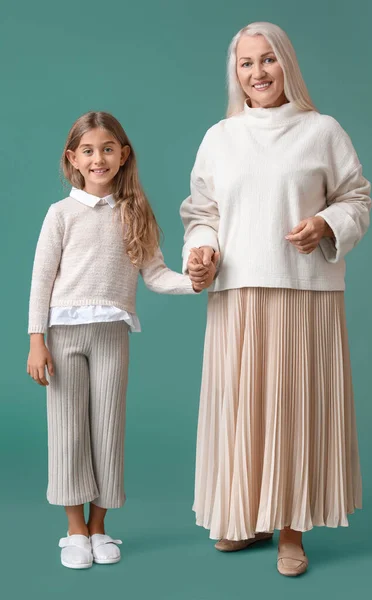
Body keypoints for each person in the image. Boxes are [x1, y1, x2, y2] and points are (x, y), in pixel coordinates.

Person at [181, 22, 371, 577]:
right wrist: (202, 251)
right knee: (242, 409)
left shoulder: (322, 130)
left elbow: (356, 197)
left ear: (286, 63)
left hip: (303, 293)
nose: (258, 72)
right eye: (246, 63)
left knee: (293, 409)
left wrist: (325, 223)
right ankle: (248, 516)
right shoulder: (220, 136)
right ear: (234, 73)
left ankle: (292, 529)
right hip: (236, 294)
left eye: (268, 60)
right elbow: (203, 213)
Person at [27, 111, 215, 569]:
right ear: (73, 159)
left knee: (107, 429)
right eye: (88, 150)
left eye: (107, 149)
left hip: (113, 334)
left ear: (123, 155)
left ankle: (99, 528)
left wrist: (194, 281)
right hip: (63, 333)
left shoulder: (135, 212)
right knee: (68, 430)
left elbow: (154, 274)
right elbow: (41, 281)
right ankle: (74, 530)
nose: (98, 158)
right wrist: (36, 340)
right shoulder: (61, 215)